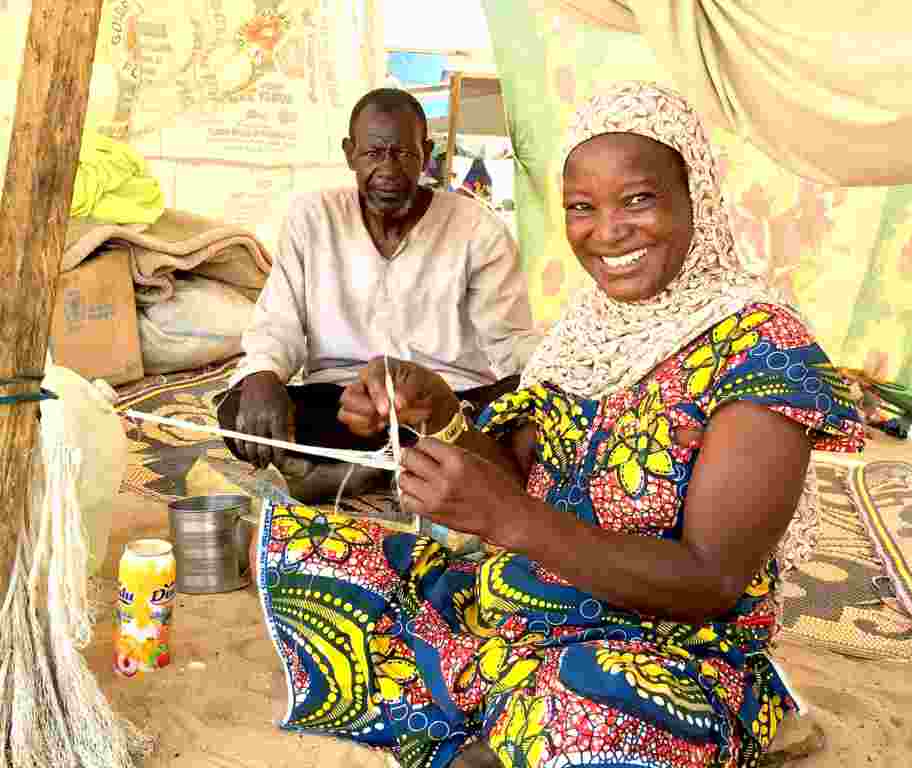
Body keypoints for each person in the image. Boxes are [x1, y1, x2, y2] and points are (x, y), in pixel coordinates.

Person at [253, 82, 865, 768]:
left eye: (638, 199)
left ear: (697, 196)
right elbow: (521, 474)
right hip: (525, 607)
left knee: (593, 711)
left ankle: (506, 719)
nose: (607, 232)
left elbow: (711, 579)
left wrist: (509, 521)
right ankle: (506, 710)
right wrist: (440, 413)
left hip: (662, 647)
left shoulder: (759, 347)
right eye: (582, 207)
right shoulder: (584, 329)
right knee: (324, 557)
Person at [217, 88, 538, 502]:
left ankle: (349, 471)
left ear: (426, 152)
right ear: (350, 153)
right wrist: (262, 374)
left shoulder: (477, 228)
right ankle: (399, 469)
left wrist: (543, 382)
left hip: (442, 406)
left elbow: (511, 342)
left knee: (521, 412)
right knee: (237, 405)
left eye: (403, 154)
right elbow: (278, 324)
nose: (387, 169)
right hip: (344, 405)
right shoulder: (312, 219)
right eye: (373, 154)